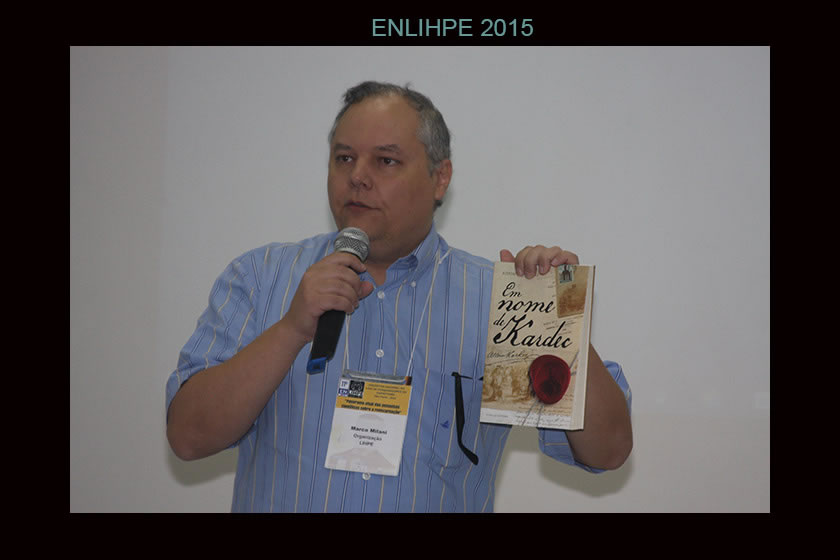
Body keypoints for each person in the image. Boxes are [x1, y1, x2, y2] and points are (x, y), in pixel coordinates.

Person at [165, 81, 632, 512]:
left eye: (385, 161)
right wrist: (290, 330)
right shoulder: (261, 276)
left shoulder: (497, 299)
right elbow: (188, 437)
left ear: (440, 178)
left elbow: (608, 450)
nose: (358, 177)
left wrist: (558, 319)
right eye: (344, 158)